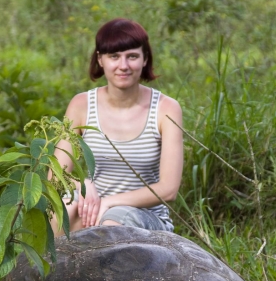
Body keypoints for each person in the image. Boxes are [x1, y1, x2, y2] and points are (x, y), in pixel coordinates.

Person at [52, 18, 183, 234]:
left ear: (144, 59)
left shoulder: (166, 108)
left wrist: (110, 202)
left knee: (112, 225)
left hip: (144, 216)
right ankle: (55, 268)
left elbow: (168, 190)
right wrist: (83, 186)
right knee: (63, 209)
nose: (123, 66)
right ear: (100, 60)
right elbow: (56, 174)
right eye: (114, 56)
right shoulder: (81, 104)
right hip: (95, 206)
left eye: (132, 56)